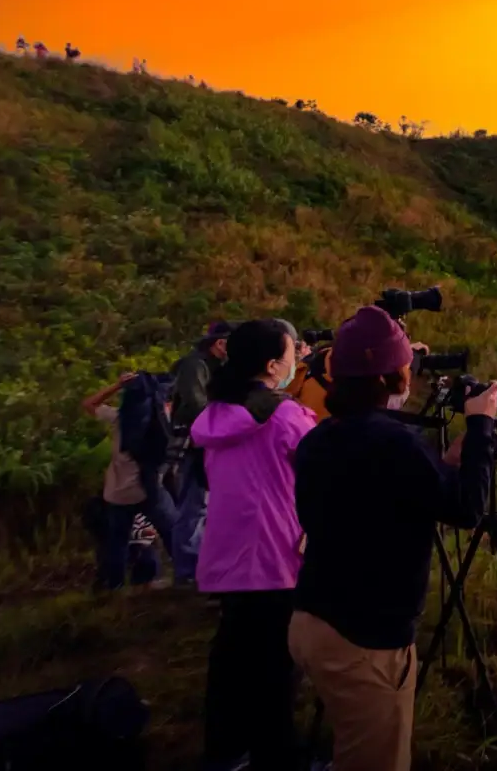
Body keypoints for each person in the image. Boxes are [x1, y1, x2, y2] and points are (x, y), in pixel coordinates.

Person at [289, 306, 495, 771]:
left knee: (350, 738)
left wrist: (443, 466)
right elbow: (467, 510)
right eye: (405, 364)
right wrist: (481, 426)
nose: (411, 372)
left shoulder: (317, 439)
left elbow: (376, 498)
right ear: (387, 378)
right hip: (365, 642)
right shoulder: (394, 445)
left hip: (310, 620)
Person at [190, 319, 314, 771]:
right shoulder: (285, 416)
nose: (297, 359)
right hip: (276, 556)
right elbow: (322, 468)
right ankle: (278, 758)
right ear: (270, 364)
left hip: (228, 554)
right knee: (276, 671)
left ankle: (225, 752)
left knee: (231, 659)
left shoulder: (216, 414)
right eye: (291, 353)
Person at [82, 372, 177, 590]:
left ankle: (113, 586)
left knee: (116, 543)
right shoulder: (161, 419)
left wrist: (117, 385)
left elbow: (88, 404)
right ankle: (186, 575)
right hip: (149, 491)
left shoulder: (120, 418)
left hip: (117, 493)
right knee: (172, 530)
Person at [169, 320, 233, 585]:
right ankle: (187, 571)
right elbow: (196, 404)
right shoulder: (195, 365)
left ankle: (199, 565)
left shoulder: (211, 366)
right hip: (194, 446)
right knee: (193, 508)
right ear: (220, 343)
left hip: (204, 444)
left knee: (203, 507)